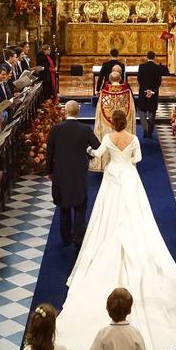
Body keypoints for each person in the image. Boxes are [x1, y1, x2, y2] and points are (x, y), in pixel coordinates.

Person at [54, 108, 176, 350]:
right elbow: (137, 160)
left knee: (106, 218)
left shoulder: (107, 138)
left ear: (112, 122)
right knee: (135, 217)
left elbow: (97, 155)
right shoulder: (133, 138)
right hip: (129, 179)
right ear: (126, 122)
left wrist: (89, 154)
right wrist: (124, 161)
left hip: (112, 179)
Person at [46, 100, 100, 248]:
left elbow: (49, 152)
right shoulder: (85, 129)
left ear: (65, 111)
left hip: (60, 170)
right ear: (78, 111)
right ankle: (78, 237)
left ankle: (65, 237)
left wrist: (49, 170)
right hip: (79, 170)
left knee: (63, 205)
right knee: (80, 204)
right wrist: (87, 156)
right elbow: (97, 147)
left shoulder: (56, 129)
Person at [93, 71, 135, 170]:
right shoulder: (127, 92)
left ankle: (105, 165)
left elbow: (99, 111)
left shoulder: (104, 92)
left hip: (107, 123)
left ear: (110, 79)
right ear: (120, 79)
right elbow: (132, 110)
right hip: (122, 123)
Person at [137, 50, 169, 139]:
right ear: (154, 57)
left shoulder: (141, 66)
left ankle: (146, 129)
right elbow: (159, 81)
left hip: (143, 93)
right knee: (152, 112)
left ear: (147, 57)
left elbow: (139, 80)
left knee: (141, 111)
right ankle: (149, 132)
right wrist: (152, 91)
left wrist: (146, 90)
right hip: (153, 94)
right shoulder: (158, 67)